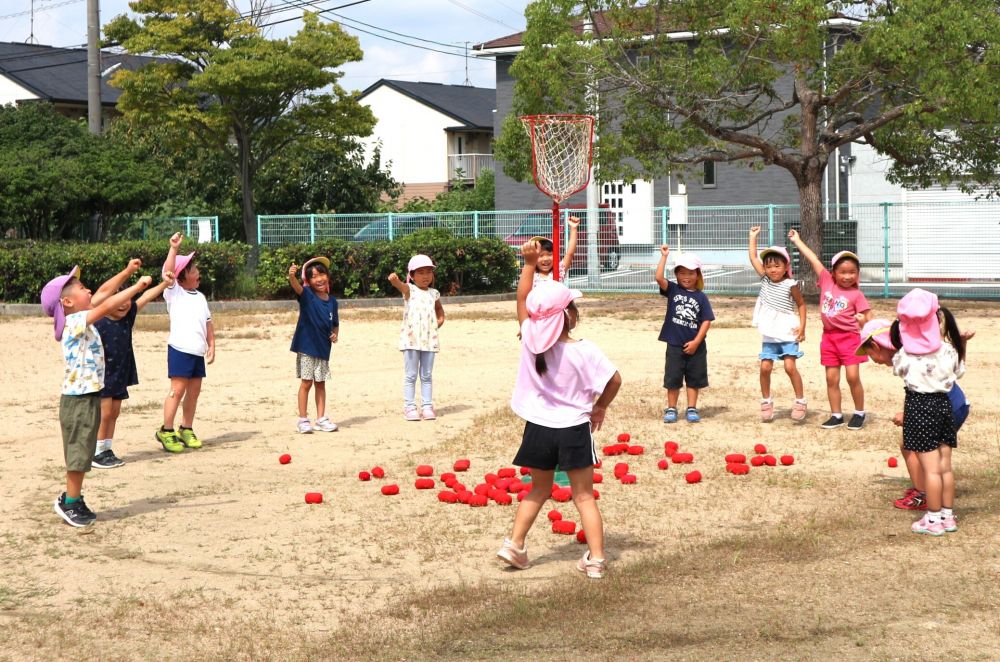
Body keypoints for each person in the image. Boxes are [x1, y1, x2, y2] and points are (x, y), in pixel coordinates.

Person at [497, 240, 622, 579]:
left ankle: (515, 544)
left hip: (538, 427)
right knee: (583, 496)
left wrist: (527, 263)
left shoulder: (528, 339)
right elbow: (615, 381)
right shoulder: (587, 351)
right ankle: (596, 559)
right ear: (569, 316)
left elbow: (522, 300)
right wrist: (600, 408)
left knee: (538, 489)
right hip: (573, 429)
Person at [41, 263, 152, 526]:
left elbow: (102, 293)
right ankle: (70, 502)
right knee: (79, 453)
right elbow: (104, 305)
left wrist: (126, 273)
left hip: (87, 396)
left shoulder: (81, 317)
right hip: (78, 400)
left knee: (83, 450)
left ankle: (73, 497)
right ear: (67, 301)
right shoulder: (75, 320)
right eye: (81, 288)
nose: (88, 289)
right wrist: (137, 287)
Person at [856, 318, 972, 512]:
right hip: (954, 404)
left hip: (945, 406)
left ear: (877, 346)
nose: (872, 360)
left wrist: (908, 416)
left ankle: (925, 494)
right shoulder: (915, 353)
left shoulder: (907, 358)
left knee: (917, 448)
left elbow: (922, 394)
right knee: (919, 448)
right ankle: (928, 490)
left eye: (869, 354)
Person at [887, 290, 966, 535]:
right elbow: (958, 373)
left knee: (930, 469)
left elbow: (897, 370)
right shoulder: (948, 350)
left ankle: (932, 520)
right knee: (944, 467)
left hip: (920, 407)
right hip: (944, 406)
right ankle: (947, 516)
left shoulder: (905, 355)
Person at [92, 261, 175, 468]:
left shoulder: (128, 316)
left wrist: (164, 284)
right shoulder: (98, 318)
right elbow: (98, 297)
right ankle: (97, 451)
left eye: (128, 300)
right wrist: (131, 276)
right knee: (104, 412)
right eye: (119, 300)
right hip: (103, 373)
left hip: (121, 370)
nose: (124, 304)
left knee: (115, 412)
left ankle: (107, 448)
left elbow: (146, 296)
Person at [788, 229, 872, 430]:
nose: (847, 276)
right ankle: (836, 415)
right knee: (831, 378)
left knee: (853, 377)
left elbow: (869, 318)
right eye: (843, 272)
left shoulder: (856, 294)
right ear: (834, 272)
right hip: (829, 339)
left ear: (857, 274)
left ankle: (859, 412)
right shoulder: (826, 280)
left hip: (850, 339)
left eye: (852, 272)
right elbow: (814, 259)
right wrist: (797, 240)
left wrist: (863, 323)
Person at [154, 232, 216, 453]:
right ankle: (167, 430)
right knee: (177, 390)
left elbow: (208, 322)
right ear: (180, 278)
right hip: (179, 349)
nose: (197, 272)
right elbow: (167, 272)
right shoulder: (174, 293)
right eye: (192, 270)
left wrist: (212, 344)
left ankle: (186, 428)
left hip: (197, 352)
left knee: (194, 391)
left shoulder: (200, 297)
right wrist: (173, 249)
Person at [748, 227, 808, 422]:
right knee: (765, 367)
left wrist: (802, 327)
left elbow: (801, 304)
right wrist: (753, 238)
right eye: (769, 266)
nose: (772, 270)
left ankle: (800, 401)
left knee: (790, 367)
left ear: (785, 266)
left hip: (787, 330)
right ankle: (766, 401)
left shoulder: (790, 284)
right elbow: (753, 258)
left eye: (777, 265)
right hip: (769, 332)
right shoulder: (765, 280)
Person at [654, 244, 714, 423]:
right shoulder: (673, 290)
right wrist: (664, 256)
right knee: (673, 377)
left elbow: (706, 321)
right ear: (676, 274)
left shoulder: (701, 297)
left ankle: (692, 408)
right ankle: (671, 408)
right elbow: (658, 278)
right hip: (674, 344)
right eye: (682, 273)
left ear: (698, 275)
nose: (686, 277)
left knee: (694, 379)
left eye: (691, 273)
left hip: (696, 346)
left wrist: (696, 341)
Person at [388, 254, 445, 421]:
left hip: (429, 341)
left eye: (428, 272)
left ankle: (427, 406)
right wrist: (394, 281)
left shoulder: (434, 293)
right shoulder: (410, 290)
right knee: (411, 375)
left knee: (427, 375)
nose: (426, 276)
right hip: (411, 341)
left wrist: (439, 322)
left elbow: (439, 310)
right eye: (420, 272)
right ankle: (410, 406)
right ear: (411, 276)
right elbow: (401, 286)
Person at [288, 257, 340, 433]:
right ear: (308, 281)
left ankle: (321, 419)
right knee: (306, 383)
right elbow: (296, 287)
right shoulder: (307, 295)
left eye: (322, 274)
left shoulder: (332, 301)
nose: (319, 279)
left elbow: (335, 324)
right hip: (307, 347)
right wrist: (292, 276)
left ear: (328, 276)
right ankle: (303, 420)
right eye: (314, 276)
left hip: (323, 349)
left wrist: (335, 335)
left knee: (320, 383)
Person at [531, 215, 580, 284]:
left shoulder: (558, 271)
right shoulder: (530, 275)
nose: (545, 259)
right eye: (541, 255)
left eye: (549, 254)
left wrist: (573, 228)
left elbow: (570, 254)